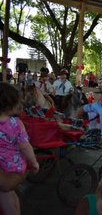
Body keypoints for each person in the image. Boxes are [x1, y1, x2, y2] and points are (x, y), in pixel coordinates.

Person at [0, 83, 39, 215]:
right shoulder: (16, 124)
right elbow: (25, 146)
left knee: (7, 194)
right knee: (7, 194)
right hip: (12, 166)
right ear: (12, 105)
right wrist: (34, 162)